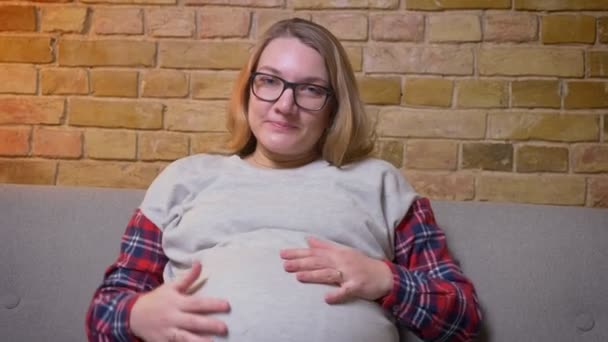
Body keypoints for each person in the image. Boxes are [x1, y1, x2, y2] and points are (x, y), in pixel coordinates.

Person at [86, 18, 481, 342]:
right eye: (270, 81)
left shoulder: (380, 183)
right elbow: (103, 315)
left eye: (310, 89)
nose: (285, 105)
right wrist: (136, 314)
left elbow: (462, 318)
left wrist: (385, 278)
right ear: (248, 90)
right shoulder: (185, 178)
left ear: (334, 107)